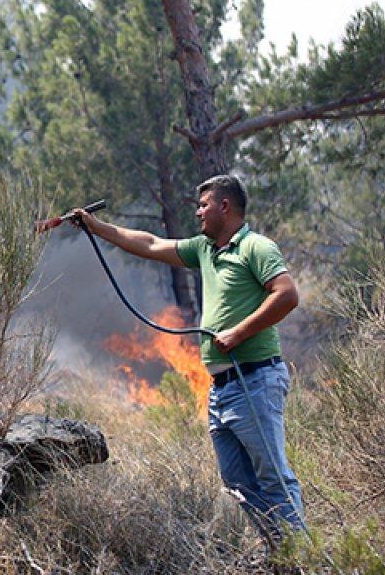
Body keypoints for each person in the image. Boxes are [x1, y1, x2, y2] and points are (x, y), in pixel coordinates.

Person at [72, 174, 306, 544]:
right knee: (236, 481)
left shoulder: (256, 248)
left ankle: (302, 557)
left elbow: (287, 295)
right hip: (222, 391)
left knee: (272, 476)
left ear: (224, 206)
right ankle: (281, 550)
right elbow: (149, 243)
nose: (198, 212)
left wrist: (238, 333)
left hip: (255, 380)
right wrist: (96, 227)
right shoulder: (204, 249)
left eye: (204, 204)